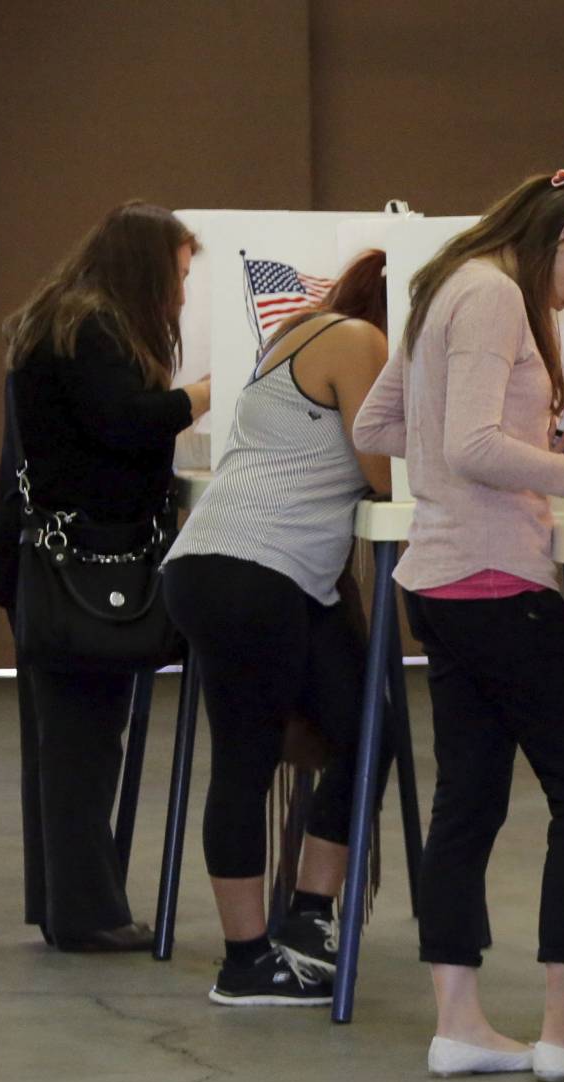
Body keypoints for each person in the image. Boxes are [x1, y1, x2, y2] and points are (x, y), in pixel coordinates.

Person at [353, 168, 564, 1080]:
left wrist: (514, 448)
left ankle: (461, 1024)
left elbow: (381, 420)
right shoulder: (493, 296)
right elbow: (468, 446)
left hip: (443, 580)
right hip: (495, 578)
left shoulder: (449, 282)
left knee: (470, 796)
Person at [161, 250, 393, 1005]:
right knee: (246, 758)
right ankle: (245, 961)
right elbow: (385, 471)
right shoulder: (360, 343)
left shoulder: (293, 332)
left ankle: (310, 918)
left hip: (253, 568)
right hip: (250, 569)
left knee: (368, 731)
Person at [0, 202, 210, 952]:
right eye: (179, 275)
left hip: (48, 563)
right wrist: (205, 394)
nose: (182, 294)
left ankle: (67, 906)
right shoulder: (93, 329)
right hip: (90, 562)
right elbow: (125, 425)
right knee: (87, 743)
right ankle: (87, 914)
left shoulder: (57, 318)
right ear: (147, 267)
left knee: (64, 744)